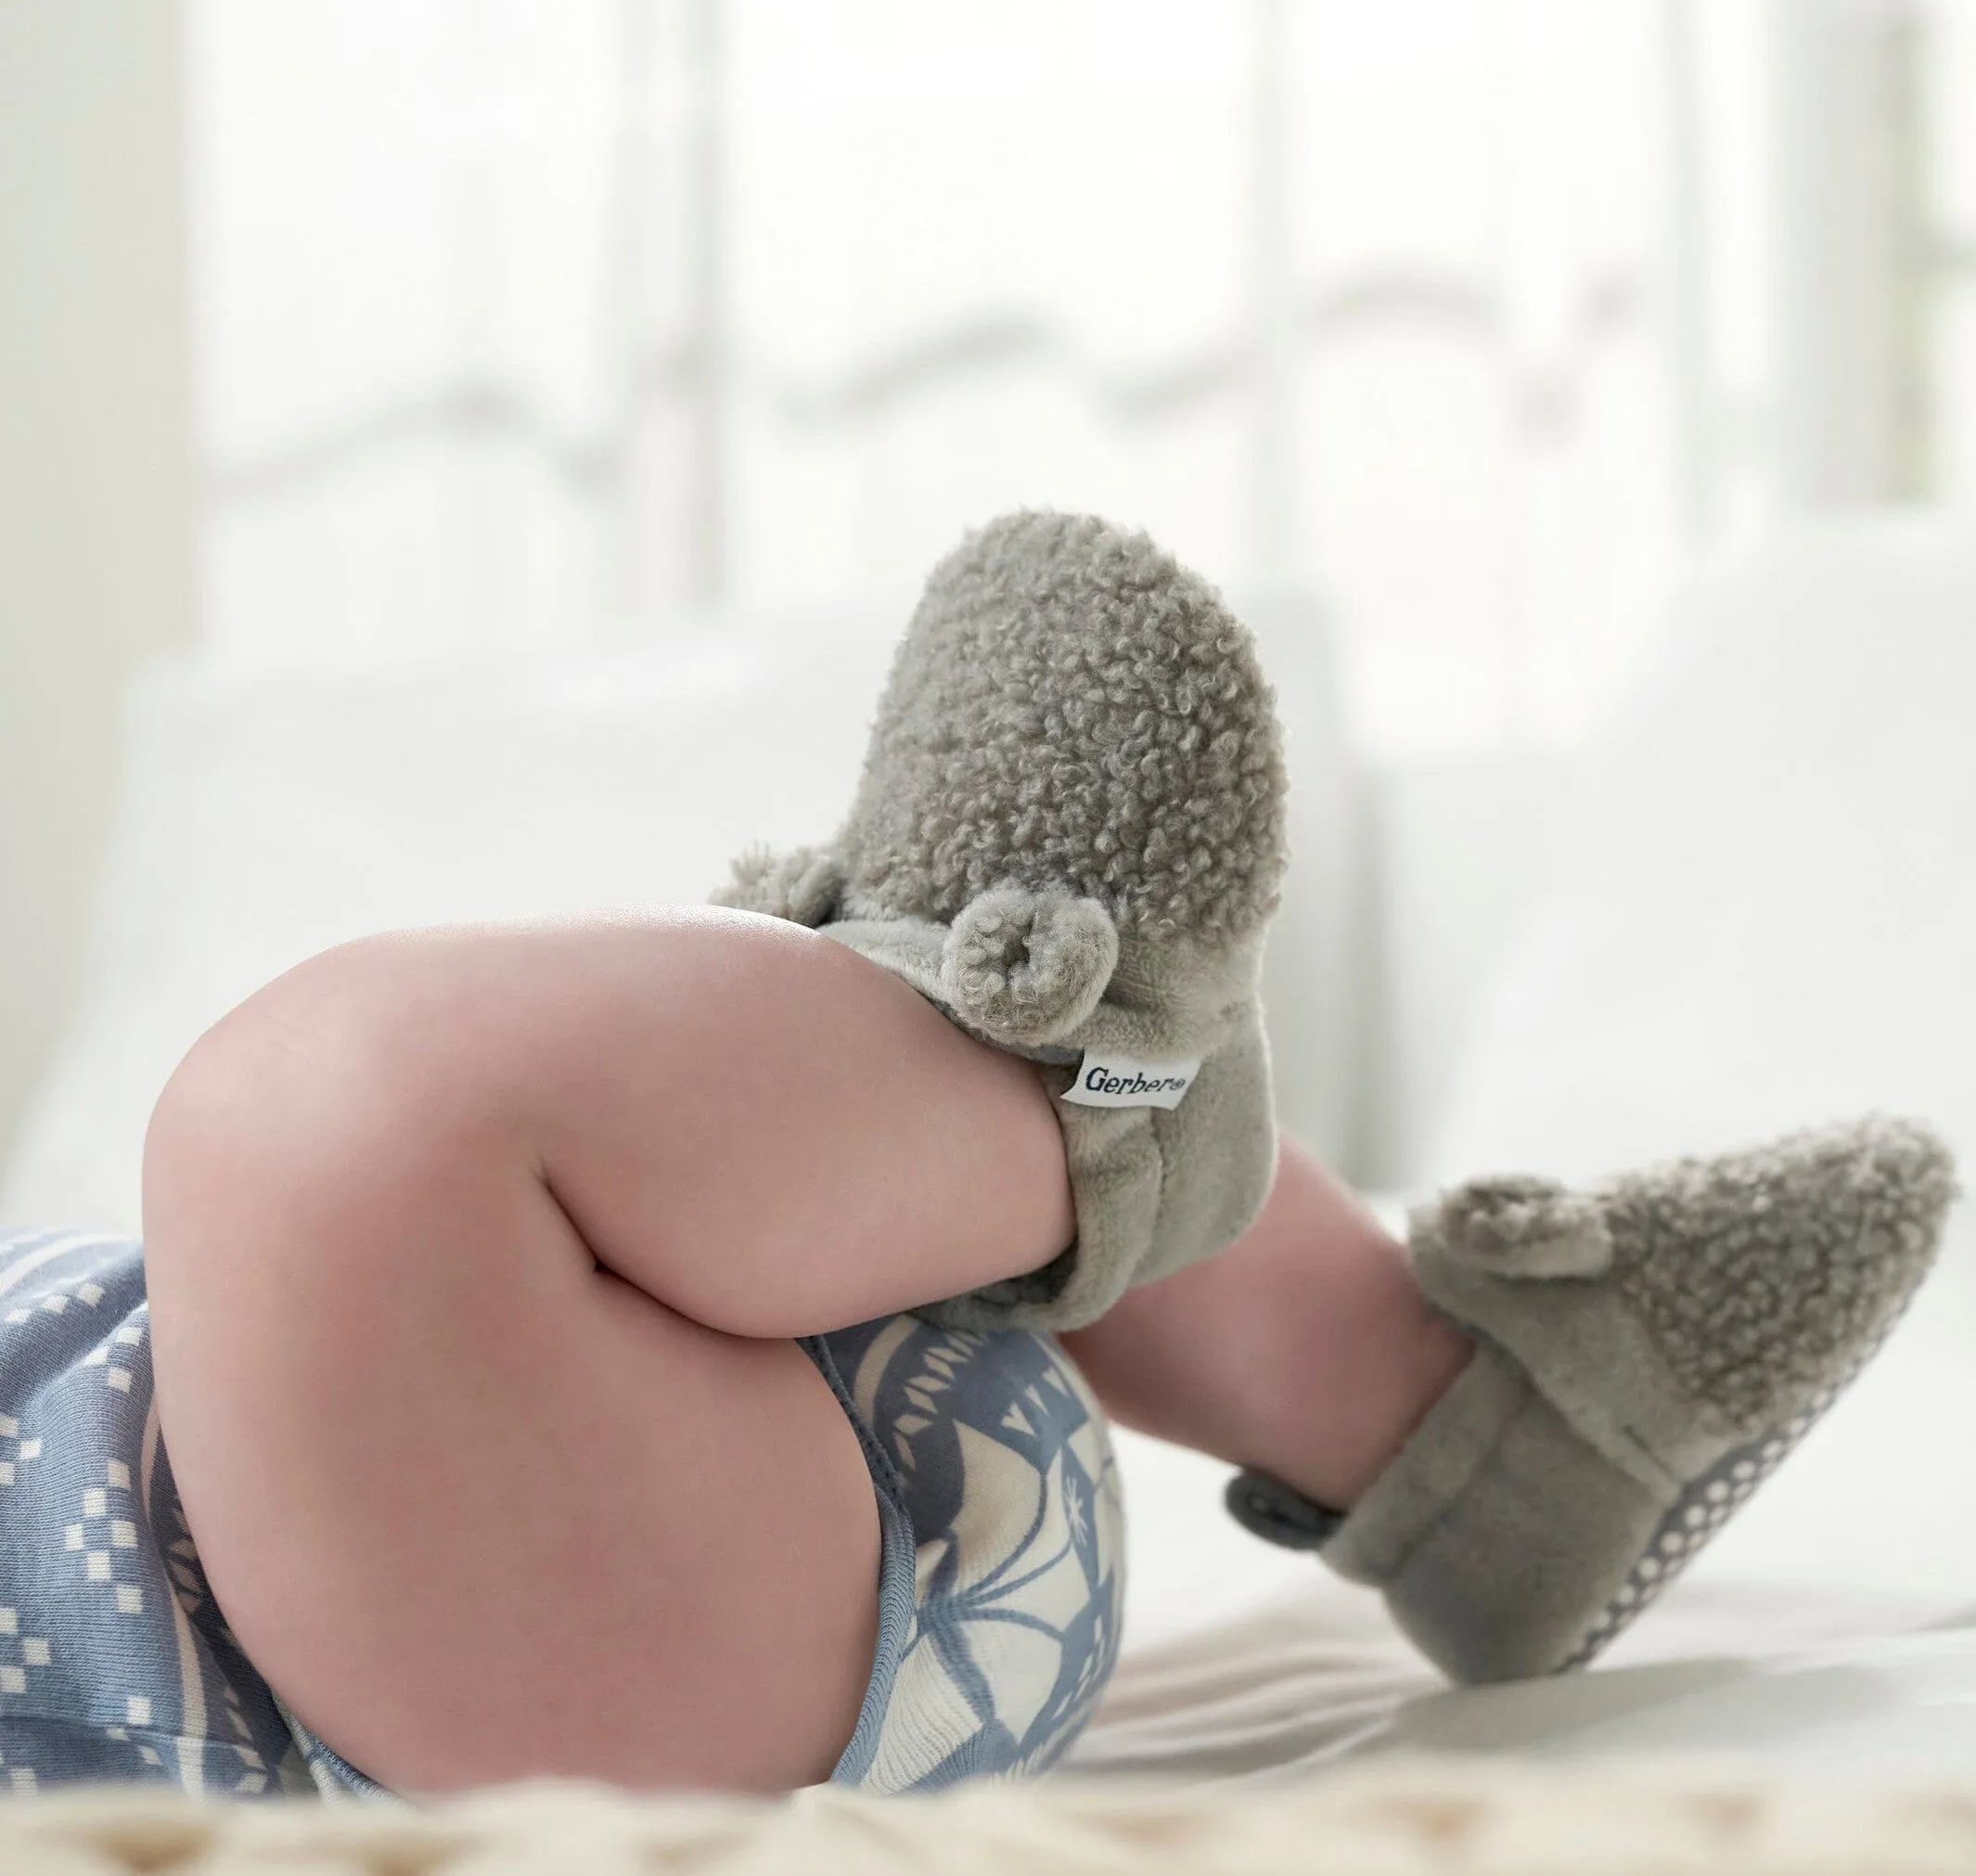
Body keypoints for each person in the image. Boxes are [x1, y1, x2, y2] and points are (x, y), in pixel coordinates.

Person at [0, 514, 1953, 1801]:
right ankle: (1041, 1086)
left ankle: (1465, 1427)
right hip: (469, 1681)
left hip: (532, 1443)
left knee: (395, 1191)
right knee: (326, 1119)